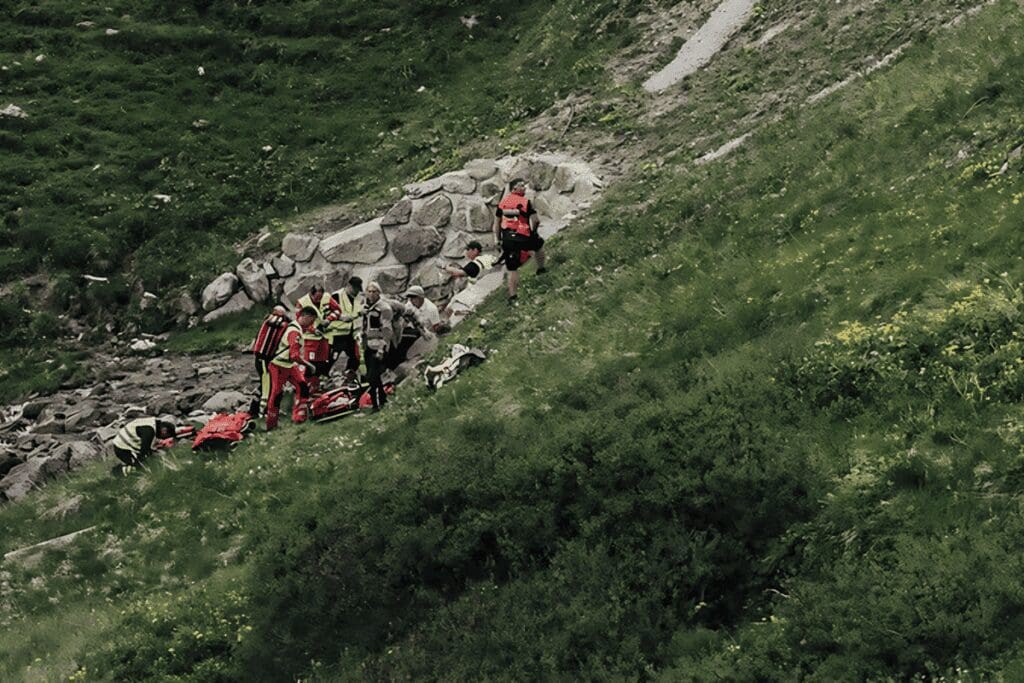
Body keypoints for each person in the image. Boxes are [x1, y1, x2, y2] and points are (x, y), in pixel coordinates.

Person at [493, 178, 546, 301]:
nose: (524, 187)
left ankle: (513, 296)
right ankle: (541, 269)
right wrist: (534, 232)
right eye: (521, 186)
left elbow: (497, 224)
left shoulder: (502, 203)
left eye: (524, 185)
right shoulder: (526, 202)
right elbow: (536, 220)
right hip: (523, 235)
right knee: (538, 245)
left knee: (512, 268)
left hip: (508, 239)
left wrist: (499, 239)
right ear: (514, 188)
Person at [266, 306, 318, 430]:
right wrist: (308, 365)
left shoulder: (298, 327)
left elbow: (307, 329)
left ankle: (299, 417)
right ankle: (271, 424)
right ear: (306, 317)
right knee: (277, 394)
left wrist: (314, 331)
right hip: (279, 365)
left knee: (303, 386)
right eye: (311, 320)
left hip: (289, 366)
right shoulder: (294, 332)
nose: (311, 324)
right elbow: (294, 355)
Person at [295, 285, 340, 395]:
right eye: (317, 298)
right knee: (310, 364)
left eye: (320, 297)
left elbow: (338, 310)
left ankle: (316, 386)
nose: (319, 300)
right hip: (310, 339)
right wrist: (312, 330)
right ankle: (304, 388)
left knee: (321, 364)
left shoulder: (327, 297)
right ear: (311, 294)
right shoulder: (302, 302)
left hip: (324, 338)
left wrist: (329, 319)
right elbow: (299, 320)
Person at [249, 305, 290, 417]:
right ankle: (260, 411)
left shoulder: (267, 323)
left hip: (262, 358)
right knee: (267, 386)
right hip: (264, 359)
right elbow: (280, 324)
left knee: (266, 385)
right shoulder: (273, 321)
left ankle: (258, 410)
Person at [389, 285, 442, 367]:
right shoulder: (409, 304)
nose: (411, 300)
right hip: (413, 330)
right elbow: (407, 316)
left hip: (425, 335)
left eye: (414, 298)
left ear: (421, 297)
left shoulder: (432, 309)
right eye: (410, 298)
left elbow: (436, 326)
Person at [360, 282, 393, 411]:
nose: (371, 294)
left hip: (378, 346)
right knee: (372, 376)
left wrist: (381, 349)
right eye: (369, 291)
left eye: (374, 291)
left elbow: (387, 330)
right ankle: (381, 400)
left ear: (379, 293)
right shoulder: (366, 307)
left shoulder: (384, 308)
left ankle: (376, 403)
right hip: (368, 345)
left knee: (373, 375)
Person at [325, 276, 363, 383]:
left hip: (350, 334)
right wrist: (341, 317)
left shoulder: (356, 298)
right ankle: (322, 378)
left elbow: (356, 313)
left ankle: (349, 377)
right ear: (349, 285)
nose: (356, 291)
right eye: (355, 288)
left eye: (358, 289)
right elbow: (327, 312)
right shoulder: (336, 296)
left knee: (356, 357)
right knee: (331, 359)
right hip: (336, 334)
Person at [112, 417, 176, 473]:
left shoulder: (152, 424)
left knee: (144, 462)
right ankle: (118, 471)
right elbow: (144, 452)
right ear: (164, 430)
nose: (163, 438)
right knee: (139, 468)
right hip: (122, 447)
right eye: (165, 437)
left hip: (126, 441)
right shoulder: (149, 431)